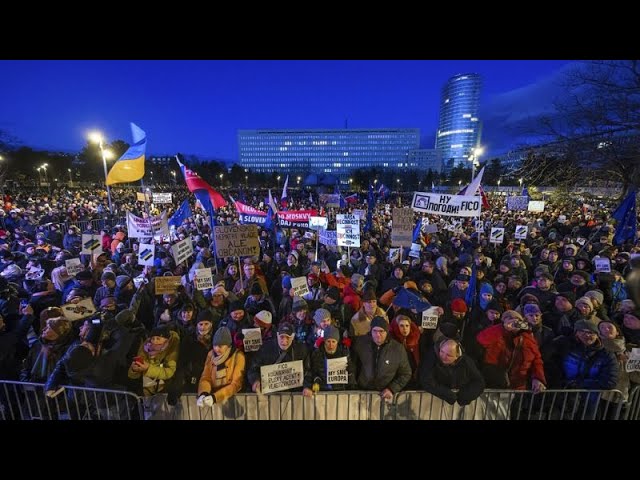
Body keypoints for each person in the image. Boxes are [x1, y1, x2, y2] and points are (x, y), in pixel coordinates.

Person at [353, 316, 412, 402]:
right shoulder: (361, 343)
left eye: (381, 331)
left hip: (385, 396)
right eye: (375, 331)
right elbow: (353, 365)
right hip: (362, 393)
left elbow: (406, 373)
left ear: (387, 332)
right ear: (371, 330)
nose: (377, 335)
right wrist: (355, 385)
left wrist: (392, 389)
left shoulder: (397, 349)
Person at [247, 322, 311, 394]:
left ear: (293, 337)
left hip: (294, 394)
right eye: (281, 337)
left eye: (288, 337)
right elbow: (253, 368)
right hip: (269, 394)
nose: (284, 341)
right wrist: (255, 380)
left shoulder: (301, 350)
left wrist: (307, 386)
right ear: (277, 335)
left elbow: (308, 371)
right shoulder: (265, 349)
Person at [419, 337, 485, 406]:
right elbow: (426, 380)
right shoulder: (431, 357)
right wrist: (448, 394)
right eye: (442, 351)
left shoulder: (466, 361)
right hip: (431, 403)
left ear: (457, 356)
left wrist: (465, 396)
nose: (443, 356)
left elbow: (479, 382)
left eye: (449, 355)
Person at [196, 327, 246, 406]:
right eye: (215, 345)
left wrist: (216, 397)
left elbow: (236, 384)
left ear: (228, 345)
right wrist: (203, 393)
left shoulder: (238, 356)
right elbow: (206, 377)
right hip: (211, 399)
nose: (216, 349)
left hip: (232, 400)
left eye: (220, 346)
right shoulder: (211, 355)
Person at [304, 325, 356, 394]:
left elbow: (351, 373)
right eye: (328, 341)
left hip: (340, 390)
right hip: (322, 390)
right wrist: (315, 382)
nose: (331, 345)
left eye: (333, 342)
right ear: (325, 341)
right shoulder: (317, 353)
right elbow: (313, 372)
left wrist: (350, 373)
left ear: (337, 342)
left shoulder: (344, 352)